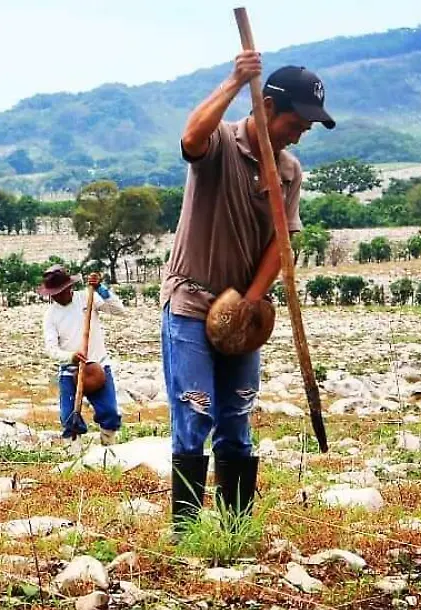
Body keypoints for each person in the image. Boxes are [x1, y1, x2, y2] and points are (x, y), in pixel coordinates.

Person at [160, 53, 335, 531]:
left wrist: (251, 302)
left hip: (243, 309)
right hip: (191, 301)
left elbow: (281, 246)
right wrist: (236, 80)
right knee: (194, 413)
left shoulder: (288, 172)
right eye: (296, 122)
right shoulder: (220, 143)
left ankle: (236, 527)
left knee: (237, 415)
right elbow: (190, 138)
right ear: (267, 107)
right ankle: (188, 531)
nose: (301, 133)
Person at [40, 266, 125, 445]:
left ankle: (108, 448)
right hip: (70, 370)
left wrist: (100, 289)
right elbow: (51, 349)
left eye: (61, 291)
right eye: (53, 294)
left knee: (109, 412)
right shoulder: (51, 315)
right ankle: (74, 454)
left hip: (98, 365)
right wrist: (71, 356)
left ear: (69, 287)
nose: (58, 296)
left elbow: (119, 310)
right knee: (69, 417)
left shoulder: (88, 297)